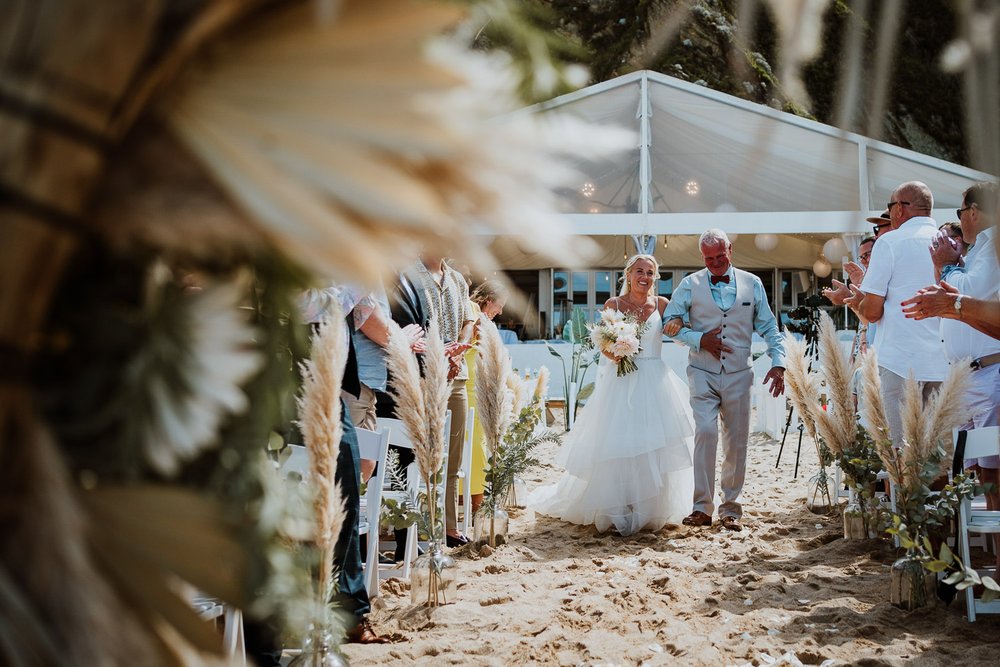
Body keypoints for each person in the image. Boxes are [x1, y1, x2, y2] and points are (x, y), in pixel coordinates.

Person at [532, 255, 694, 536]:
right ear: (628, 275)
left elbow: (678, 330)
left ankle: (653, 505)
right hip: (622, 380)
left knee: (655, 445)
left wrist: (678, 327)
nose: (645, 276)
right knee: (620, 443)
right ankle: (621, 504)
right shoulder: (613, 305)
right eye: (639, 271)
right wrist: (619, 351)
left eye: (651, 272)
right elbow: (603, 345)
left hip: (656, 380)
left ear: (655, 278)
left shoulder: (664, 305)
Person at [662, 229, 786, 532]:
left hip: (740, 374)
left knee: (736, 441)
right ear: (701, 257)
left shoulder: (752, 283)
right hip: (702, 372)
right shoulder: (689, 285)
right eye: (709, 259)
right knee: (705, 432)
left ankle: (730, 508)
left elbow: (769, 326)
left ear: (729, 249)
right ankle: (701, 508)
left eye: (720, 256)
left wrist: (779, 363)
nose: (715, 263)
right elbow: (669, 325)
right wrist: (698, 338)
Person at [296, 283, 388, 644]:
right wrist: (356, 280)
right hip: (295, 377)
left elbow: (362, 312)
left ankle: (351, 614)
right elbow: (305, 306)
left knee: (346, 491)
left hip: (332, 388)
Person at [844, 181, 950, 448]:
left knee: (899, 449)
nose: (889, 213)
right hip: (944, 362)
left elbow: (871, 310)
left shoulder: (889, 242)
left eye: (890, 207)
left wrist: (859, 302)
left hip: (899, 361)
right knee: (936, 453)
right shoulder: (948, 242)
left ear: (901, 209)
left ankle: (901, 492)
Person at [463, 280, 510, 518]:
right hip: (470, 386)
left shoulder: (482, 317)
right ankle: (477, 503)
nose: (500, 311)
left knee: (478, 444)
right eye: (499, 305)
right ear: (488, 298)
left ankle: (476, 499)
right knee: (475, 446)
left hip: (478, 384)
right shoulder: (472, 310)